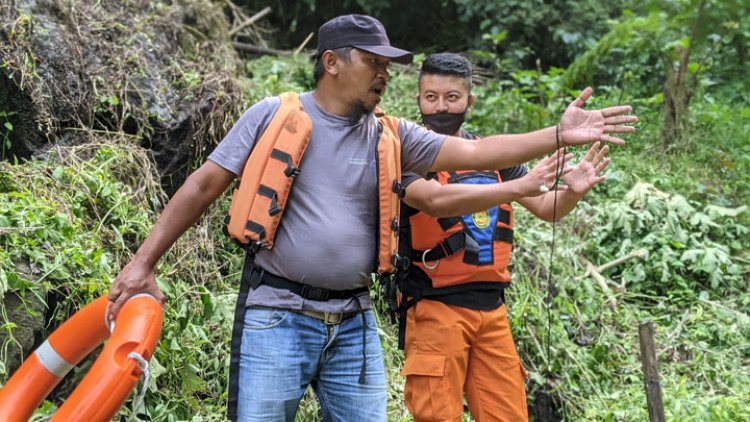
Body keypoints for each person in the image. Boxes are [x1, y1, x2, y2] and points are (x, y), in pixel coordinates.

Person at [106, 15, 636, 422]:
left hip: (354, 319)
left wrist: (560, 133)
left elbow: (482, 152)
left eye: (388, 65)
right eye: (373, 62)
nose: (385, 74)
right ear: (332, 62)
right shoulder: (274, 115)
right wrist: (142, 264)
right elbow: (201, 186)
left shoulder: (394, 136)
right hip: (277, 312)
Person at [397, 52, 612, 421]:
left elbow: (548, 208)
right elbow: (433, 201)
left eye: (452, 97)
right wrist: (518, 187)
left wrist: (574, 190)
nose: (440, 106)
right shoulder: (405, 154)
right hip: (434, 305)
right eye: (430, 97)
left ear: (469, 101)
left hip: (492, 309)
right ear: (418, 99)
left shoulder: (496, 155)